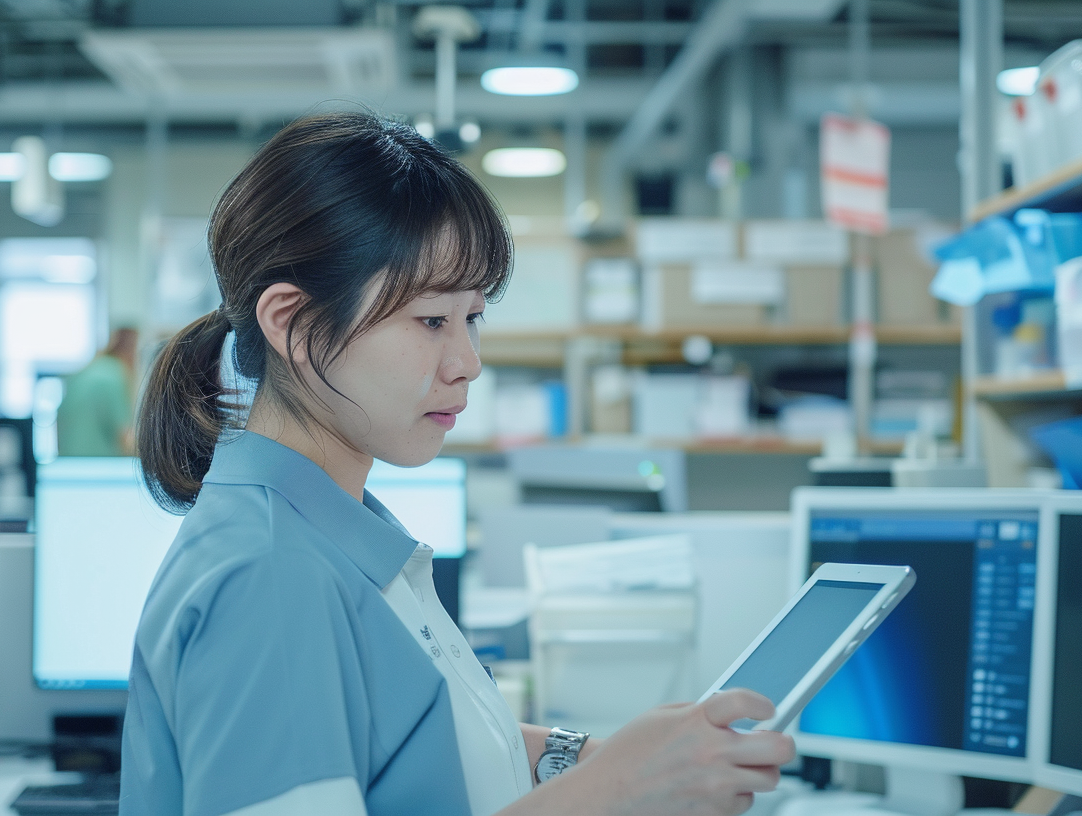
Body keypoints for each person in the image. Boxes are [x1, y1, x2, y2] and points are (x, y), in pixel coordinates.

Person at [123, 112, 794, 816]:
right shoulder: (269, 577)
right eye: (431, 321)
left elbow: (415, 746)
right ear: (290, 322)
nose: (467, 363)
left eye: (472, 318)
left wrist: (594, 760)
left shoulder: (332, 527)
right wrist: (612, 794)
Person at [57, 327, 137, 456]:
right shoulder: (114, 374)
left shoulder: (87, 371)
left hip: (68, 463)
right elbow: (124, 437)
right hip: (99, 465)